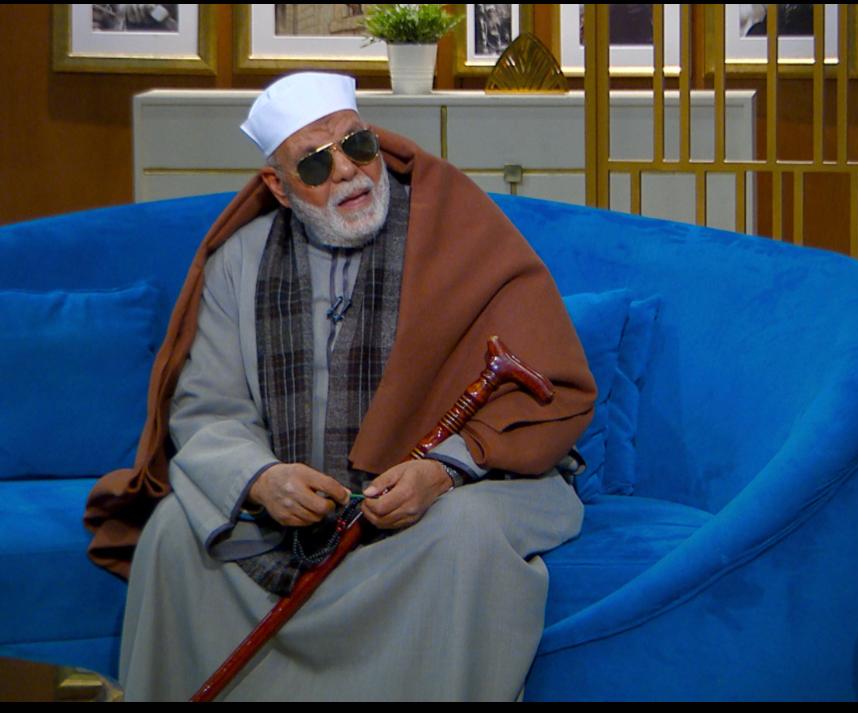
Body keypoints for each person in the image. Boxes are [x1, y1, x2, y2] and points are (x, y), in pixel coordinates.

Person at [86, 72, 596, 701]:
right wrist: (261, 479)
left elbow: (542, 384)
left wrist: (440, 471)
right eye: (316, 164)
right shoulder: (240, 261)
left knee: (467, 535)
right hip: (297, 510)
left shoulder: (454, 234)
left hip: (452, 488)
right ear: (278, 186)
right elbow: (209, 407)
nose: (349, 173)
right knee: (172, 532)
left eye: (358, 146)